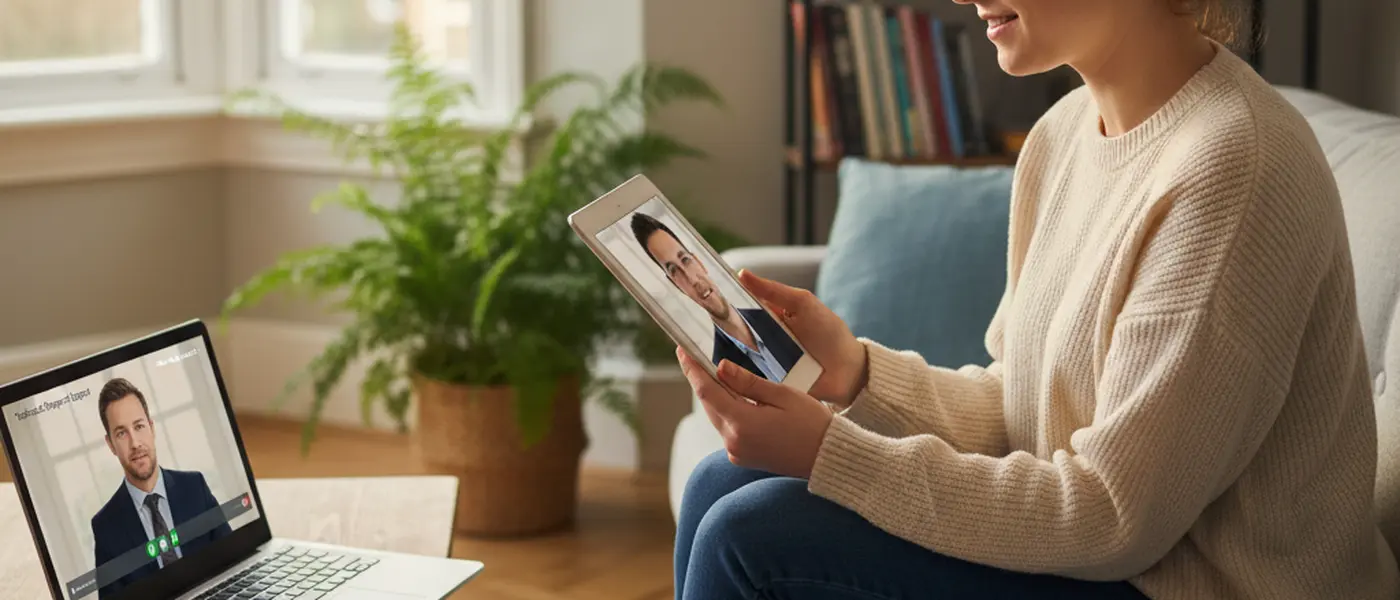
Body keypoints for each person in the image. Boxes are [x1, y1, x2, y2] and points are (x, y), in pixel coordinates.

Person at [673, 0, 1400, 598]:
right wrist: (856, 373)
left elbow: (1115, 517)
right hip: (1121, 560)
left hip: (1195, 585)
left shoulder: (1236, 166)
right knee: (722, 479)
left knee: (755, 535)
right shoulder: (1062, 134)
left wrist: (835, 452)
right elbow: (1021, 409)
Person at [91, 378, 231, 599]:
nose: (135, 443)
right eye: (121, 433)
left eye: (139, 426)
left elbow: (233, 561)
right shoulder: (105, 527)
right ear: (111, 445)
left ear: (152, 428)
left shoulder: (195, 487)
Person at [631, 212, 803, 382]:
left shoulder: (776, 319)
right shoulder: (720, 366)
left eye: (685, 260)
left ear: (698, 261)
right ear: (676, 285)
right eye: (674, 270)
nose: (692, 280)